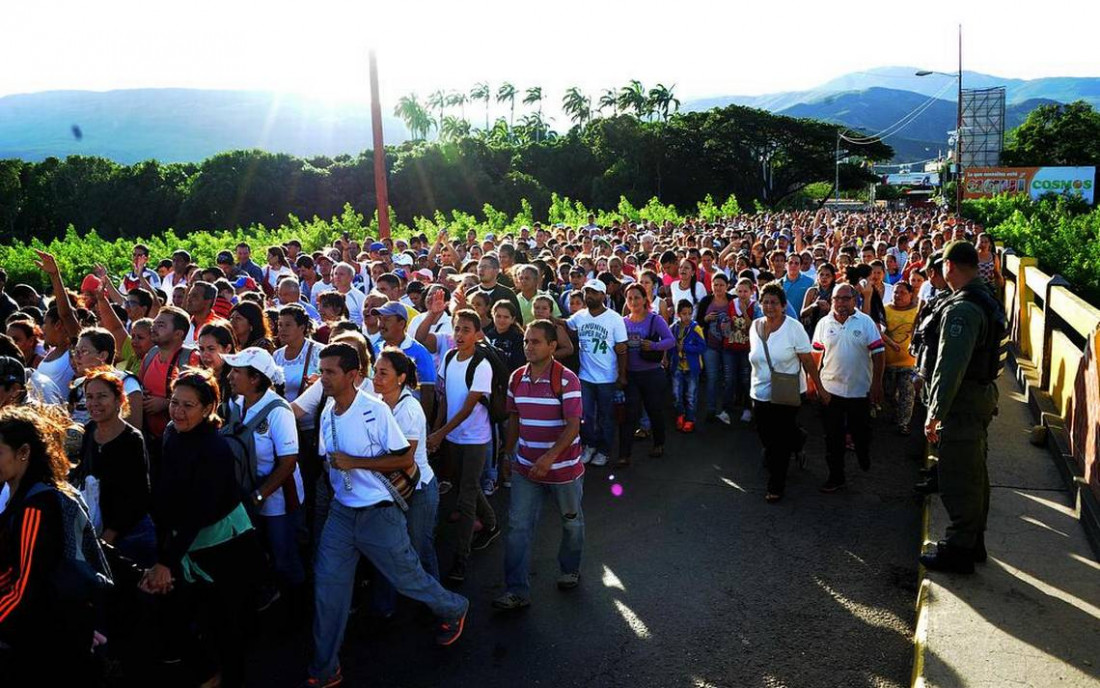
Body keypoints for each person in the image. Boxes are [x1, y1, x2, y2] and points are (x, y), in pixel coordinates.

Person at [307, 343, 468, 688]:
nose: (323, 379)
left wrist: (356, 463)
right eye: (321, 372)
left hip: (379, 514)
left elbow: (404, 460)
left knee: (408, 578)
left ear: (352, 376)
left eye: (330, 372)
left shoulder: (376, 411)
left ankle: (454, 608)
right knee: (327, 587)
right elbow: (328, 459)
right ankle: (324, 668)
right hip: (341, 514)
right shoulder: (326, 412)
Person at [144, 368, 264, 688]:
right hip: (186, 542)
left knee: (225, 626)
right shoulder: (171, 433)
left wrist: (166, 562)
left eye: (188, 405)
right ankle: (208, 675)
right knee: (175, 617)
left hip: (227, 547)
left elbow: (199, 511)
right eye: (174, 402)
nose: (178, 411)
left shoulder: (215, 450)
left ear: (208, 407)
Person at [0, 404, 111, 683]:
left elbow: (25, 587)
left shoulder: (36, 508)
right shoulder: (26, 495)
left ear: (23, 452)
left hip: (45, 643)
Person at [921, 241, 1006, 574]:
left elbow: (950, 366)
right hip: (978, 399)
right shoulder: (984, 297)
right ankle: (974, 542)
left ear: (950, 266)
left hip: (962, 404)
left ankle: (959, 549)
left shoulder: (963, 310)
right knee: (975, 474)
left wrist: (935, 412)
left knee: (959, 478)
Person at [494, 320, 585, 610]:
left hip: (564, 470)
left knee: (571, 523)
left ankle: (569, 569)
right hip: (525, 468)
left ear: (552, 346)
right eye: (526, 342)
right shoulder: (516, 378)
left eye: (535, 342)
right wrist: (507, 455)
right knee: (518, 527)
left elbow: (573, 426)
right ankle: (516, 591)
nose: (528, 347)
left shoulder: (567, 379)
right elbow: (514, 419)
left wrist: (549, 458)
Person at [222, 348, 306, 596]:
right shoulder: (234, 403)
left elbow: (288, 462)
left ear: (255, 378)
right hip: (246, 494)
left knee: (283, 556)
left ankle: (295, 604)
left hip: (277, 498)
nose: (230, 376)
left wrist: (259, 496)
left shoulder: (279, 411)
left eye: (237, 371)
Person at [427, 309, 501, 583]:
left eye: (466, 330)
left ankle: (461, 558)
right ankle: (492, 523)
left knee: (466, 496)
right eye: (457, 329)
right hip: (452, 436)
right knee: (463, 484)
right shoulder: (448, 357)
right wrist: (437, 430)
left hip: (475, 438)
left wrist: (440, 433)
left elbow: (469, 407)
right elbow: (445, 399)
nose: (459, 335)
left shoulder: (481, 365)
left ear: (477, 334)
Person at [368, 348, 441, 617]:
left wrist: (356, 462)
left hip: (418, 490)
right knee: (387, 549)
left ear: (400, 378)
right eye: (375, 371)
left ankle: (438, 606)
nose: (375, 377)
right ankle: (383, 609)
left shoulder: (409, 408)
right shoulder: (376, 401)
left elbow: (404, 459)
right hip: (390, 488)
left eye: (382, 373)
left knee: (419, 549)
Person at [750, 283, 828, 503]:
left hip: (789, 391)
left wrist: (819, 387)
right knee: (765, 434)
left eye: (774, 302)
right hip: (760, 392)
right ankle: (798, 438)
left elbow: (808, 361)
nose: (770, 306)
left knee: (778, 442)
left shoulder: (793, 328)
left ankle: (776, 484)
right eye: (765, 302)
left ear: (784, 306)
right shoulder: (755, 326)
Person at [74, 368, 155, 565]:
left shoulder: (132, 439)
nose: (94, 403)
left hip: (130, 536)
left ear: (119, 400)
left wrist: (109, 535)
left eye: (102, 396)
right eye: (90, 397)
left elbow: (138, 495)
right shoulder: (89, 431)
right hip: (96, 527)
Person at [812, 283, 885, 493]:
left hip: (859, 390)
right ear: (831, 300)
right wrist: (814, 385)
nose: (841, 303)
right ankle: (836, 476)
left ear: (855, 300)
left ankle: (863, 452)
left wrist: (877, 384)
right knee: (832, 437)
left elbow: (879, 354)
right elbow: (816, 355)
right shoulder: (824, 324)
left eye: (846, 298)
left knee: (861, 432)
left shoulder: (865, 322)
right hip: (831, 390)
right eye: (837, 299)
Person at [566, 280, 627, 467]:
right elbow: (566, 325)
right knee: (586, 415)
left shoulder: (615, 318)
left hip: (607, 377)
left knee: (606, 416)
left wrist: (622, 375)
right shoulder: (580, 316)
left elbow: (622, 349)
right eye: (587, 292)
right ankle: (590, 446)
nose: (589, 296)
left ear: (603, 296)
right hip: (585, 376)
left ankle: (604, 450)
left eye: (594, 292)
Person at [618, 284, 674, 463]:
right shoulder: (623, 322)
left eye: (637, 297)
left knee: (654, 410)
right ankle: (624, 455)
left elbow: (670, 340)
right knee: (630, 415)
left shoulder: (654, 319)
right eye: (630, 298)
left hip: (652, 373)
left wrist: (653, 346)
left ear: (644, 299)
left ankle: (659, 444)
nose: (633, 301)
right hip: (632, 374)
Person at [882, 282, 919, 436]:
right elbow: (878, 331)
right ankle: (897, 412)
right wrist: (891, 343)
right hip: (888, 362)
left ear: (911, 295)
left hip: (909, 363)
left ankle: (903, 423)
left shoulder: (917, 312)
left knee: (907, 393)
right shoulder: (886, 310)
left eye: (903, 293)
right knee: (888, 392)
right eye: (896, 292)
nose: (898, 296)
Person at [697, 273, 735, 424]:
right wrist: (705, 320)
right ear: (711, 286)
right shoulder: (706, 301)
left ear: (727, 287)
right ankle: (711, 409)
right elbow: (698, 321)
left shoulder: (732, 300)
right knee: (712, 378)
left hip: (729, 345)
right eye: (715, 285)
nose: (718, 288)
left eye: (721, 285)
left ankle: (726, 407)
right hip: (710, 346)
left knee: (729, 378)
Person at [669, 299, 707, 434]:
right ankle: (680, 415)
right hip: (677, 366)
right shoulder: (673, 328)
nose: (687, 317)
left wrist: (685, 347)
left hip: (692, 368)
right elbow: (668, 344)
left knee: (691, 395)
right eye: (684, 314)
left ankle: (690, 419)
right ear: (678, 314)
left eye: (690, 314)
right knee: (676, 394)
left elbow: (702, 347)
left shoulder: (695, 328)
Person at [727, 277, 761, 422]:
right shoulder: (731, 303)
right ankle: (727, 409)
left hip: (747, 348)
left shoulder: (755, 306)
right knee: (730, 378)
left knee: (746, 379)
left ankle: (748, 409)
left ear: (751, 291)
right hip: (731, 346)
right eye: (739, 291)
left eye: (745, 291)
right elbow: (729, 323)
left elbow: (751, 327)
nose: (742, 294)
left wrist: (744, 311)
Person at [780, 252, 814, 319]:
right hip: (784, 322)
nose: (793, 265)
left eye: (796, 263)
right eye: (790, 263)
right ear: (785, 265)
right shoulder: (778, 284)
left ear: (800, 266)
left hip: (802, 322)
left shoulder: (810, 282)